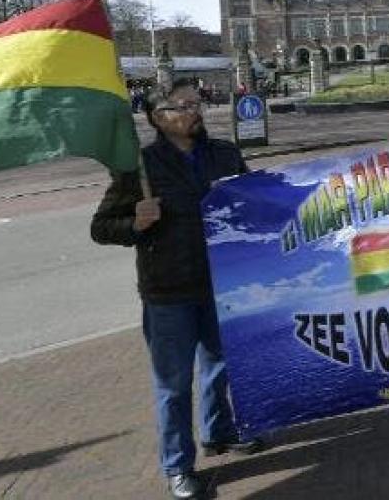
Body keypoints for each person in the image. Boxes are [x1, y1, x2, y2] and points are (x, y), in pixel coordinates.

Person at [91, 78, 260, 499]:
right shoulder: (140, 167)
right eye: (182, 106)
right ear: (157, 117)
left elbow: (255, 203)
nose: (194, 111)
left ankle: (219, 431)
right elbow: (101, 228)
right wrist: (136, 221)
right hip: (168, 291)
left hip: (222, 282)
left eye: (195, 103)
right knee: (174, 384)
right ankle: (178, 467)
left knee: (221, 365)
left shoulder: (225, 154)